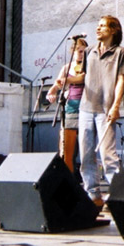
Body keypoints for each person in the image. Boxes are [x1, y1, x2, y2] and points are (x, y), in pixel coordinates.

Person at [78, 15, 124, 206]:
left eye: (102, 26)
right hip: (86, 108)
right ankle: (93, 195)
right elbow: (82, 77)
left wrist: (115, 106)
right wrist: (59, 84)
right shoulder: (90, 50)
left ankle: (120, 196)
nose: (97, 29)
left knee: (108, 156)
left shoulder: (120, 52)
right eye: (97, 26)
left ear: (113, 30)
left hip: (105, 110)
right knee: (85, 155)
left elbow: (121, 80)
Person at [46, 38, 88, 173]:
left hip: (86, 107)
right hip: (70, 107)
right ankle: (70, 178)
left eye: (84, 51)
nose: (81, 54)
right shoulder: (67, 67)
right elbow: (55, 87)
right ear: (73, 52)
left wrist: (66, 80)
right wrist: (51, 94)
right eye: (79, 51)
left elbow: (81, 78)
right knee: (67, 149)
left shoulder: (88, 66)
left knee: (86, 148)